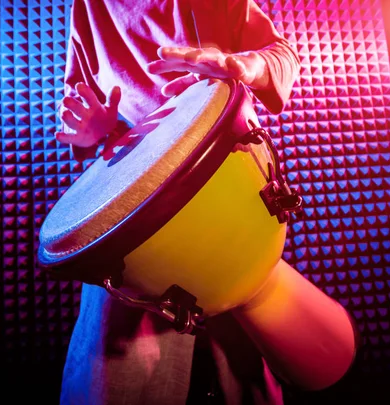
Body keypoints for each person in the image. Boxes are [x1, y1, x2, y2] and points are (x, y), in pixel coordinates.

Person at [54, 1, 358, 404]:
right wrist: (92, 132)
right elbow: (79, 113)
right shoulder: (90, 7)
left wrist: (248, 66)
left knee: (246, 370)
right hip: (136, 221)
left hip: (223, 198)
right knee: (116, 376)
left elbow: (281, 55)